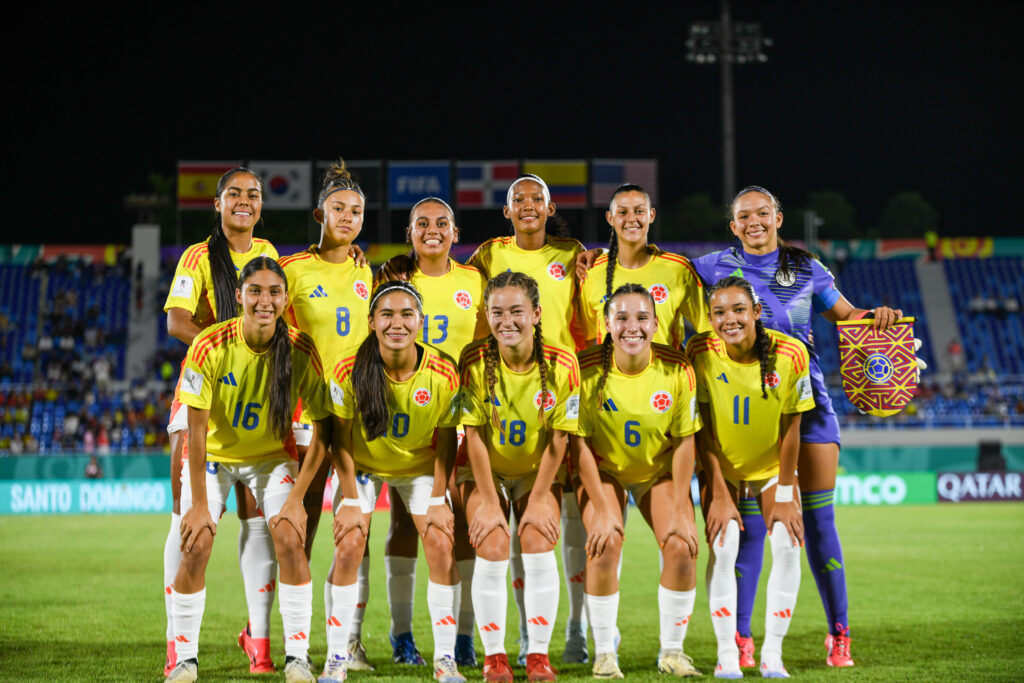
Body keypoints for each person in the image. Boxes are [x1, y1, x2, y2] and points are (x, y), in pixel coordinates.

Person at [691, 186, 905, 668]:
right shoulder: (708, 268)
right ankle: (742, 639)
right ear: (733, 225)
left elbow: (847, 316)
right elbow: (657, 272)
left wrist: (879, 317)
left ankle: (839, 634)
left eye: (762, 214)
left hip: (806, 406)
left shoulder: (806, 267)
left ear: (779, 217)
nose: (754, 222)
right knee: (748, 530)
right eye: (743, 216)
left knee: (817, 524)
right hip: (744, 412)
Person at [165, 256, 332, 683]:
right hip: (215, 458)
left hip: (271, 458)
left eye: (274, 292)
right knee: (196, 541)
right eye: (254, 291)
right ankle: (184, 661)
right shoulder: (209, 345)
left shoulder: (301, 349)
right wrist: (200, 504)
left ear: (285, 298)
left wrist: (297, 500)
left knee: (291, 538)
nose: (264, 300)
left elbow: (324, 430)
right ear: (239, 296)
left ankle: (298, 658)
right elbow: (196, 434)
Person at [162, 167, 281, 675]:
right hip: (206, 387)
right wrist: (224, 349)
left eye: (253, 194)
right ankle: (177, 640)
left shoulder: (270, 254)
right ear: (217, 204)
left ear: (260, 205)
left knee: (257, 515)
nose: (244, 201)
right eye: (234, 193)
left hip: (257, 394)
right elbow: (176, 321)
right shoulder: (197, 256)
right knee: (186, 513)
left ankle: (258, 639)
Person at [467, 175, 590, 663]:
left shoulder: (572, 252)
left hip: (558, 390)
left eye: (536, 198)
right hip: (498, 391)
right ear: (506, 209)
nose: (527, 206)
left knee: (564, 529)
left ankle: (577, 633)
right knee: (491, 538)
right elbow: (447, 279)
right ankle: (497, 646)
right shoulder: (487, 256)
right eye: (518, 199)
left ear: (549, 205)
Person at [321, 280, 465, 683]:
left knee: (439, 542)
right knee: (349, 544)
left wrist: (439, 497)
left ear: (421, 322)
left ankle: (445, 659)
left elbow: (448, 438)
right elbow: (340, 438)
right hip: (362, 468)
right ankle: (337, 656)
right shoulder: (348, 368)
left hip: (419, 467)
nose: (396, 323)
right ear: (371, 322)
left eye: (406, 315)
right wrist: (349, 499)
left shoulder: (443, 370)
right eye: (386, 314)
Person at [376, 197, 489, 667]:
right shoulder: (394, 281)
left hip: (458, 414)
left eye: (442, 223)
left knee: (458, 525)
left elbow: (484, 344)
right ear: (410, 232)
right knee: (403, 523)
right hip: (403, 414)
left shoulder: (474, 281)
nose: (433, 230)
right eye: (422, 223)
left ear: (455, 233)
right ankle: (402, 635)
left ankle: (462, 636)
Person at [573, 283, 703, 680]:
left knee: (682, 544)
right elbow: (576, 443)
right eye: (622, 318)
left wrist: (682, 508)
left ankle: (673, 652)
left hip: (656, 470)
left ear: (656, 322)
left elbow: (685, 442)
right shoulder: (586, 368)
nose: (633, 327)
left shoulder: (678, 368)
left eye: (642, 317)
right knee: (605, 541)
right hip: (602, 470)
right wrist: (601, 507)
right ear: (606, 323)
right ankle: (604, 653)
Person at [687, 276, 813, 679]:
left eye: (738, 309)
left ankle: (773, 653)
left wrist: (786, 490)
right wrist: (718, 490)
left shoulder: (791, 353)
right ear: (709, 318)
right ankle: (727, 653)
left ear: (756, 312)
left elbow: (793, 427)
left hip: (771, 467)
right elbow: (700, 428)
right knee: (724, 547)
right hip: (719, 467)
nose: (729, 319)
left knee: (789, 544)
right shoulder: (699, 351)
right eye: (719, 312)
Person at [457, 271, 580, 682]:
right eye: (497, 312)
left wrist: (542, 496)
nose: (506, 321)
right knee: (492, 543)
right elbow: (472, 435)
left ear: (537, 314)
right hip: (484, 470)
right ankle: (495, 658)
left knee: (537, 539)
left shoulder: (563, 362)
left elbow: (559, 438)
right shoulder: (473, 358)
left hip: (536, 471)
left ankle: (538, 658)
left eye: (516, 311)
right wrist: (490, 500)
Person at [278, 159, 375, 669]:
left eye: (356, 210)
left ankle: (349, 641)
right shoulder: (291, 270)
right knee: (301, 530)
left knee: (356, 531)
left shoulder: (367, 271)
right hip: (304, 415)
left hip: (357, 418)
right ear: (319, 212)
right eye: (338, 208)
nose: (348, 217)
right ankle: (281, 638)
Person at [578, 184, 709, 347]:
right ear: (609, 218)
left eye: (639, 211)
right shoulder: (592, 272)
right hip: (609, 372)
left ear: (651, 214)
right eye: (622, 212)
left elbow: (707, 330)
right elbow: (588, 338)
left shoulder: (678, 269)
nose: (632, 218)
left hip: (666, 372)